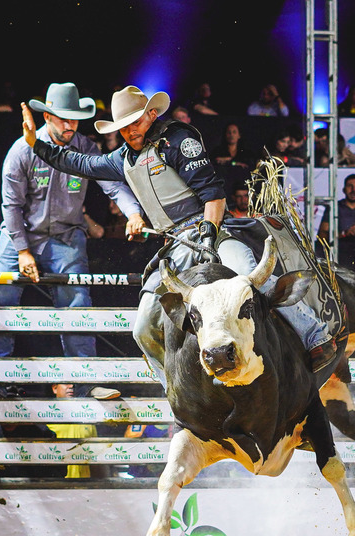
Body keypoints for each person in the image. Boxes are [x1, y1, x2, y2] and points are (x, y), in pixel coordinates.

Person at [21, 84, 337, 374]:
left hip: (211, 229)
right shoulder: (122, 158)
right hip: (173, 246)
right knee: (143, 329)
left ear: (152, 115)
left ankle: (315, 336)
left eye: (135, 122)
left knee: (250, 276)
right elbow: (82, 164)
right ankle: (176, 393)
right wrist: (36, 144)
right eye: (124, 127)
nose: (130, 131)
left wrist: (208, 237)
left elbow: (214, 196)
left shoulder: (177, 141)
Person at [0, 82, 145, 401]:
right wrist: (23, 250)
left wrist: (133, 213)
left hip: (67, 235)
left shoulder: (86, 149)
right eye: (63, 118)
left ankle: (85, 383)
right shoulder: (22, 150)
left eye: (74, 119)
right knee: (1, 297)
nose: (70, 125)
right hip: (20, 233)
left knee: (77, 302)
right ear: (47, 117)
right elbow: (11, 205)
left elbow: (113, 184)